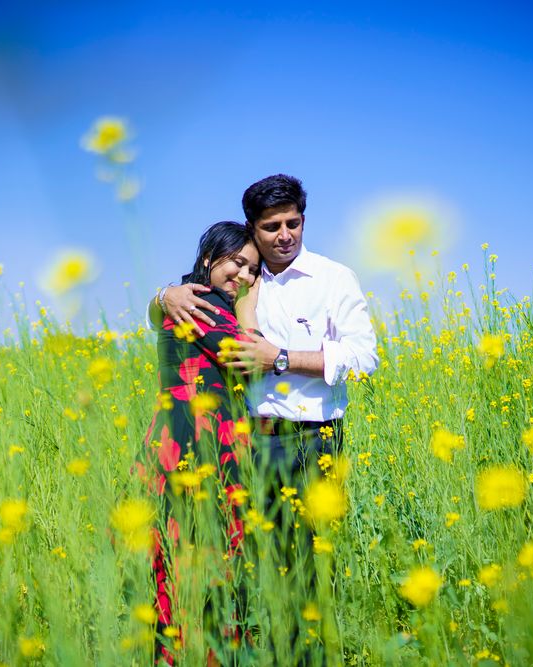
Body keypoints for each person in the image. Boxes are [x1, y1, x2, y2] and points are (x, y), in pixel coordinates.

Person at [158, 174, 379, 662]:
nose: (285, 235)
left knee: (306, 574)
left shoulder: (332, 278)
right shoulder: (241, 281)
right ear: (251, 230)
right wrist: (164, 293)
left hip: (311, 442)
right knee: (243, 574)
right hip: (242, 448)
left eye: (293, 223)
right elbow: (187, 312)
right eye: (272, 226)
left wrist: (282, 358)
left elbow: (363, 358)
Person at [139, 221, 261, 665]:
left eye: (252, 269)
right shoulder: (203, 304)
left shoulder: (187, 297)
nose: (243, 276)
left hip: (199, 444)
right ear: (210, 258)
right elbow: (247, 360)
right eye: (236, 262)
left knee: (186, 565)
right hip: (193, 448)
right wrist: (250, 312)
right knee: (201, 563)